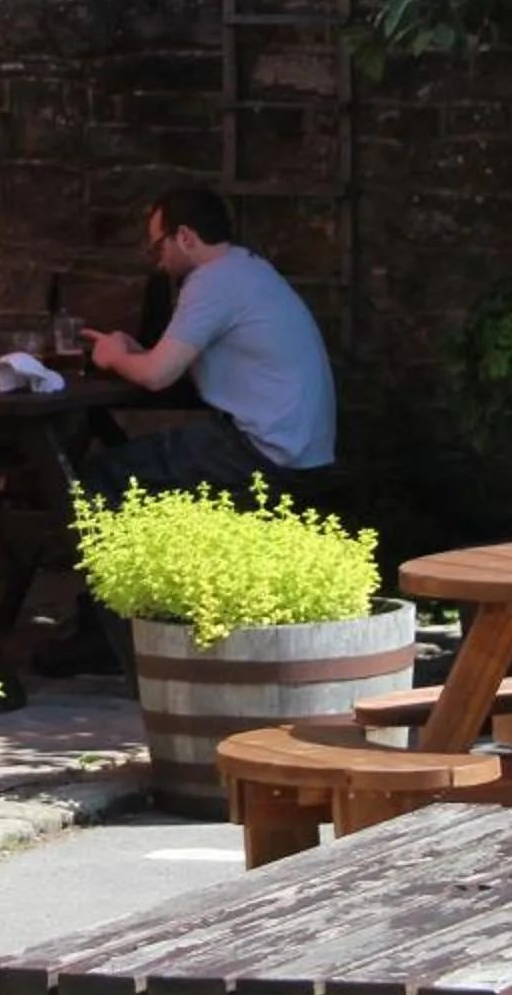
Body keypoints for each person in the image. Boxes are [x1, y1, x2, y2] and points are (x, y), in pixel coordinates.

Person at [38, 187, 339, 677]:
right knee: (124, 477)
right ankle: (119, 631)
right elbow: (172, 361)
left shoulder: (212, 281)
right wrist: (136, 351)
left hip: (260, 452)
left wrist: (115, 356)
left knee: (98, 482)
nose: (156, 261)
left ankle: (118, 646)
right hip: (298, 450)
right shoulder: (248, 269)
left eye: (158, 246)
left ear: (185, 237)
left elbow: (157, 377)